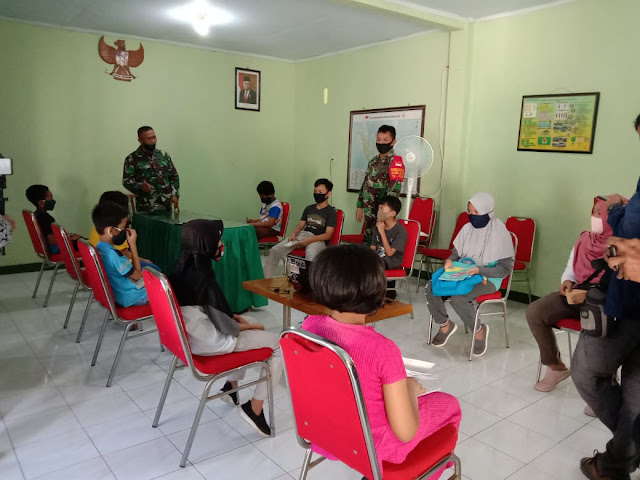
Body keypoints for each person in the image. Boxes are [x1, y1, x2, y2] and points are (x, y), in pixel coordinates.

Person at [302, 244, 461, 478]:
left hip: (324, 433)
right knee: (450, 405)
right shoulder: (381, 350)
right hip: (374, 447)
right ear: (378, 291)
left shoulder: (309, 326)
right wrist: (408, 388)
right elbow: (405, 432)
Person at [572, 116, 640, 480]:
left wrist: (616, 209)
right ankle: (620, 459)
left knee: (592, 373)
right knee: (633, 395)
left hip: (629, 305)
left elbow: (631, 227)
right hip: (625, 300)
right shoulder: (586, 239)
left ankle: (620, 458)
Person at [169, 219, 282, 437]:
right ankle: (255, 408)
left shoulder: (180, 267)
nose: (221, 244)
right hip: (210, 342)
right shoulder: (203, 276)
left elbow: (215, 313)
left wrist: (241, 321)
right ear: (207, 244)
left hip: (189, 338)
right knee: (280, 343)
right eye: (218, 239)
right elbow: (229, 327)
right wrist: (252, 326)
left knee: (249, 324)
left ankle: (231, 387)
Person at [526, 199, 612, 392]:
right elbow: (571, 269)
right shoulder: (584, 239)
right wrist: (567, 281)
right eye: (593, 212)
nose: (595, 217)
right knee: (535, 311)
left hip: (604, 302)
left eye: (600, 213)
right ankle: (555, 367)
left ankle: (599, 387)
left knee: (598, 327)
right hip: (578, 294)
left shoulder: (622, 244)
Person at [425, 192, 514, 357]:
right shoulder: (466, 229)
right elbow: (455, 254)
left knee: (459, 297)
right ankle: (445, 325)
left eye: (476, 212)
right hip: (462, 273)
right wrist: (449, 261)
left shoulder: (500, 232)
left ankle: (479, 331)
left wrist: (480, 270)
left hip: (488, 278)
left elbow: (504, 269)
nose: (472, 216)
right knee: (431, 286)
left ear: (487, 211)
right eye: (469, 211)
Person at [263, 178, 337, 278]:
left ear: (328, 194)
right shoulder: (309, 208)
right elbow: (300, 226)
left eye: (320, 192)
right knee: (275, 250)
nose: (317, 194)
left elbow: (328, 235)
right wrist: (294, 234)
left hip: (318, 240)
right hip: (303, 235)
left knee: (311, 255)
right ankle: (266, 279)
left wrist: (309, 240)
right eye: (315, 191)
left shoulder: (331, 212)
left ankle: (308, 283)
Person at [92, 201, 148, 307]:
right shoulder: (113, 255)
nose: (124, 231)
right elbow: (137, 276)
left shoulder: (98, 248)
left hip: (117, 293)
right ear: (111, 230)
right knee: (165, 286)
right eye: (122, 229)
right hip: (132, 297)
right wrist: (133, 245)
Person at [89, 190, 159, 270]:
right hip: (122, 267)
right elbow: (126, 254)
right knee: (155, 269)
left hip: (104, 267)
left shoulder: (97, 229)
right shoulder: (116, 233)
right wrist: (141, 257)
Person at [356, 125, 402, 245]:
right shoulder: (373, 161)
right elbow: (365, 184)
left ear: (393, 142)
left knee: (379, 243)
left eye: (385, 140)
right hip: (368, 210)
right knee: (368, 242)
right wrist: (360, 206)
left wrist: (385, 213)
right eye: (379, 139)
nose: (381, 143)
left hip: (383, 212)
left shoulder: (395, 162)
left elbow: (394, 191)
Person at [123, 126, 180, 213]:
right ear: (140, 140)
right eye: (149, 139)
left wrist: (174, 194)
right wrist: (141, 186)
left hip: (166, 204)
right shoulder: (132, 159)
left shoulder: (163, 155)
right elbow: (126, 181)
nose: (153, 141)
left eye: (154, 137)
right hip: (146, 206)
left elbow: (174, 176)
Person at [25, 184, 82, 254]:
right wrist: (71, 239)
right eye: (50, 198)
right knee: (86, 244)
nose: (53, 201)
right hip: (57, 249)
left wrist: (68, 236)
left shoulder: (37, 215)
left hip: (51, 248)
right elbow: (52, 240)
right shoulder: (44, 218)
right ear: (41, 203)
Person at [370, 196, 407, 300]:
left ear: (393, 213)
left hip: (392, 260)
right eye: (379, 208)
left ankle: (384, 293)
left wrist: (382, 232)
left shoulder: (400, 231)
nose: (379, 212)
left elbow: (390, 253)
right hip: (378, 257)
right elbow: (373, 247)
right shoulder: (378, 226)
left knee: (375, 264)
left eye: (382, 209)